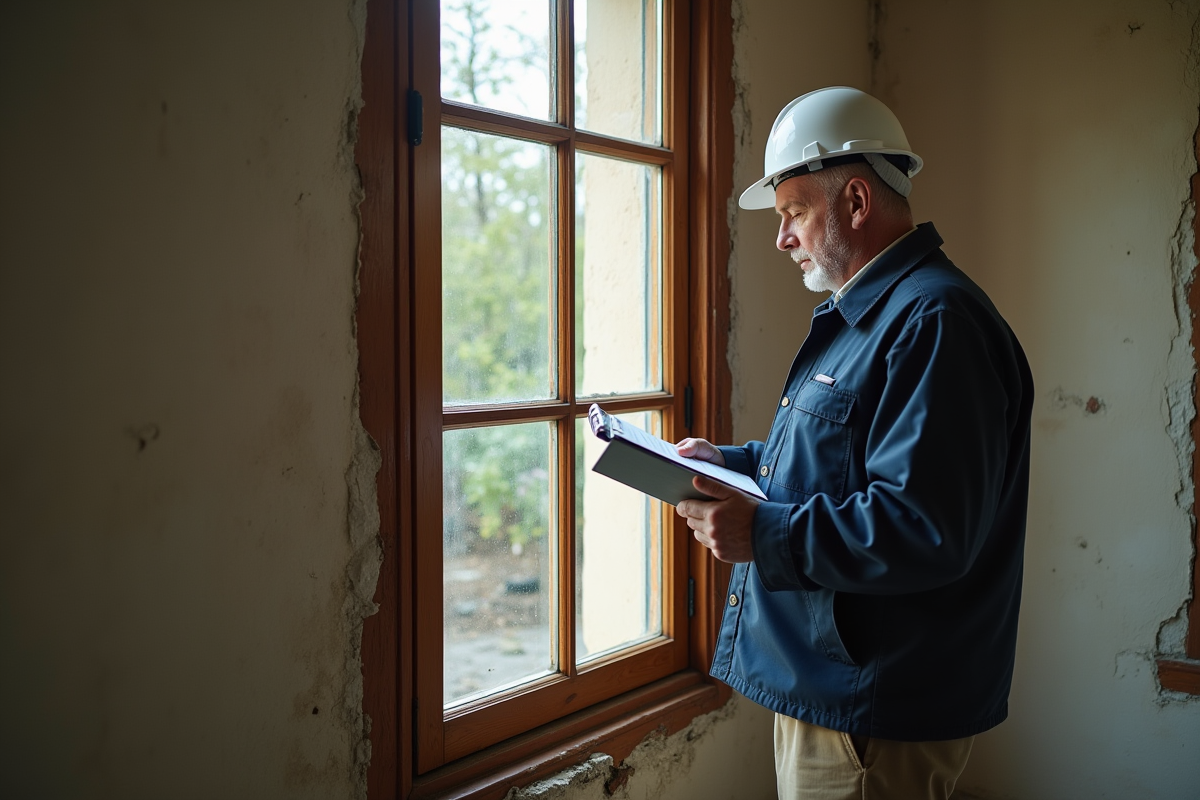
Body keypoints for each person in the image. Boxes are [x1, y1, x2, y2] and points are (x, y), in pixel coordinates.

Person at [675, 86, 1034, 800]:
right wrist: (734, 464)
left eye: (793, 212)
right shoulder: (875, 315)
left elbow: (926, 527)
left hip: (874, 707)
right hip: (840, 693)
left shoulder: (934, 321)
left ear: (858, 201)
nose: (782, 239)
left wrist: (762, 532)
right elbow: (843, 465)